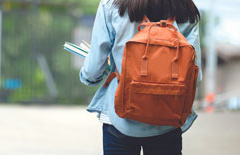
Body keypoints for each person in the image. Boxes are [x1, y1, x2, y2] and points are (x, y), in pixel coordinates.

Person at [79, 0, 202, 154]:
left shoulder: (111, 5)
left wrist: (88, 77)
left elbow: (93, 70)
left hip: (119, 119)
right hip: (168, 119)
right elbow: (195, 79)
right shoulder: (186, 8)